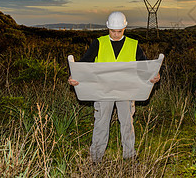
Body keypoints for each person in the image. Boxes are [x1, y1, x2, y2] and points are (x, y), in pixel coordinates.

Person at [68, 11, 160, 163]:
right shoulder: (98, 43)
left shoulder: (133, 45)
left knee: (127, 124)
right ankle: (95, 158)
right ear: (107, 28)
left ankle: (129, 156)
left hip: (126, 91)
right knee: (101, 124)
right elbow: (84, 64)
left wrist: (153, 77)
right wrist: (74, 77)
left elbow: (143, 68)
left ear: (125, 28)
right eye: (113, 31)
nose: (116, 34)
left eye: (119, 31)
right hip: (102, 91)